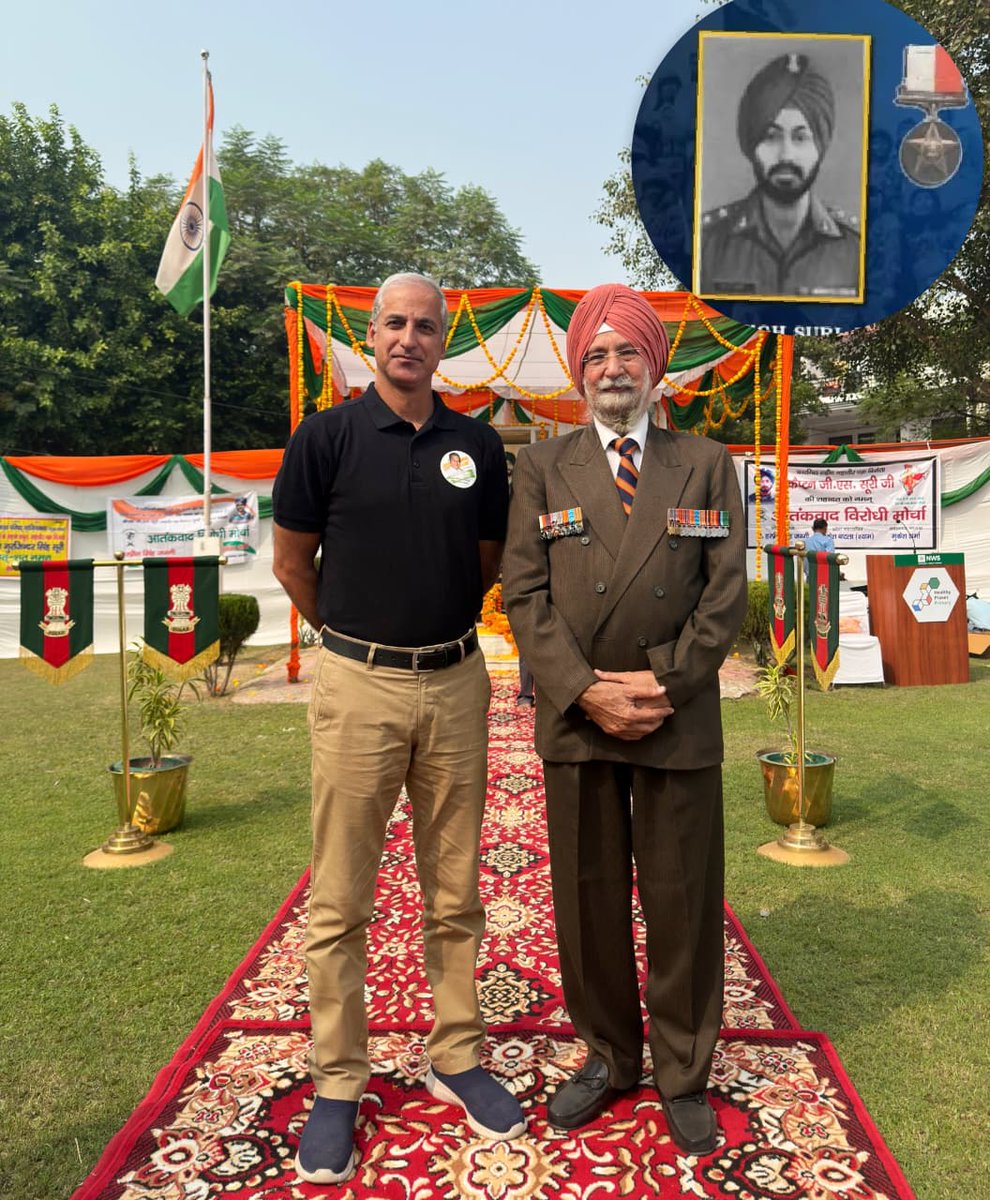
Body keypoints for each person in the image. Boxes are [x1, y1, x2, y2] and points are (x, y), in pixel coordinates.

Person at [272, 271, 523, 1186]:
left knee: (455, 890)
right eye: (394, 324)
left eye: (425, 325)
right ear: (370, 334)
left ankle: (457, 1055)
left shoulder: (477, 446)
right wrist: (346, 638)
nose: (409, 338)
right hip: (357, 687)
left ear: (441, 338)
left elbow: (485, 562)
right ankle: (340, 1076)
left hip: (455, 683)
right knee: (341, 898)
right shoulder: (326, 437)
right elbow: (293, 561)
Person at [502, 284, 747, 1156]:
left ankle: (683, 1069)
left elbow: (724, 595)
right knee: (589, 896)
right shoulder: (541, 465)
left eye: (627, 351)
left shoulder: (707, 462)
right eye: (596, 355)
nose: (613, 368)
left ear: (655, 365)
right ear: (578, 372)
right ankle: (609, 1056)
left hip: (675, 717)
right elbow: (522, 593)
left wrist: (663, 686)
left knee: (682, 897)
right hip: (579, 716)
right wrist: (586, 689)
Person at [698, 51, 861, 299]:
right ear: (751, 145)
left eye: (800, 137)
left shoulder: (856, 248)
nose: (786, 155)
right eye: (771, 137)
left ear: (821, 145)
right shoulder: (707, 244)